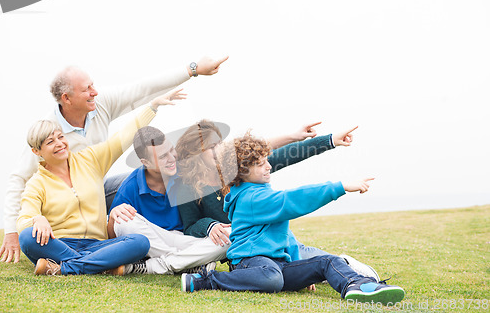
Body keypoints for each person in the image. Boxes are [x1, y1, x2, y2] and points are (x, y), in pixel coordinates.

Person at [0, 56, 229, 263]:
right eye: (86, 89)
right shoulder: (45, 145)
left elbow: (138, 93)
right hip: (65, 217)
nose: (94, 92)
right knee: (30, 236)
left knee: (136, 184)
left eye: (92, 85)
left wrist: (191, 71)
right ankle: (89, 257)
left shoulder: (97, 120)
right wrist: (14, 230)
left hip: (96, 190)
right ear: (66, 98)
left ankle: (147, 238)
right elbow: (18, 181)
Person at [181, 133, 405, 305]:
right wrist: (340, 187)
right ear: (242, 172)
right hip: (250, 262)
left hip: (278, 262)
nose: (269, 166)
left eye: (266, 160)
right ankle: (207, 280)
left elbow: (281, 236)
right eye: (261, 164)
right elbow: (292, 200)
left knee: (327, 262)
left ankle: (360, 286)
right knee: (272, 279)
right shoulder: (251, 198)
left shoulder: (260, 187)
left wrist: (330, 140)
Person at [172, 119, 379, 281]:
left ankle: (346, 266)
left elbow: (284, 155)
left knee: (320, 261)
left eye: (219, 144)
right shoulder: (186, 186)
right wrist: (209, 226)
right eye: (210, 147)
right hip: (247, 250)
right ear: (194, 152)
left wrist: (330, 140)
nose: (217, 150)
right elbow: (189, 225)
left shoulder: (234, 169)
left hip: (277, 239)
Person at [17, 89, 186, 276]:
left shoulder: (90, 160)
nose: (60, 144)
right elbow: (24, 220)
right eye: (50, 142)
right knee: (27, 237)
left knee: (140, 242)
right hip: (60, 244)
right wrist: (37, 219)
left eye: (61, 137)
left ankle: (64, 268)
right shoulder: (36, 183)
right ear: (37, 151)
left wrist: (152, 107)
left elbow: (121, 138)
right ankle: (95, 264)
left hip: (98, 244)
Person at [107, 126, 228, 275]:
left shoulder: (186, 173)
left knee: (229, 235)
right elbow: (113, 239)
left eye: (171, 150)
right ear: (146, 162)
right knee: (123, 221)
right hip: (152, 241)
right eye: (163, 156)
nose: (172, 158)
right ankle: (186, 263)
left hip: (184, 240)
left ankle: (159, 265)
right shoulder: (130, 187)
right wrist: (113, 216)